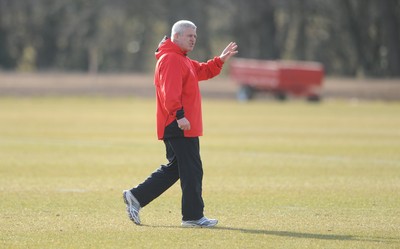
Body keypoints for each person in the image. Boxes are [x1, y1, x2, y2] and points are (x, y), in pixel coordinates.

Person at [123, 20, 238, 228]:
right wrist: (180, 116)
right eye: (189, 36)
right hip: (179, 124)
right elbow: (170, 93)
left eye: (195, 36)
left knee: (178, 168)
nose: (193, 39)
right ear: (175, 36)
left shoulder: (182, 59)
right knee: (192, 170)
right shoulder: (171, 59)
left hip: (181, 124)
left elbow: (203, 71)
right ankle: (193, 217)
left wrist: (220, 60)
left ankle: (136, 197)